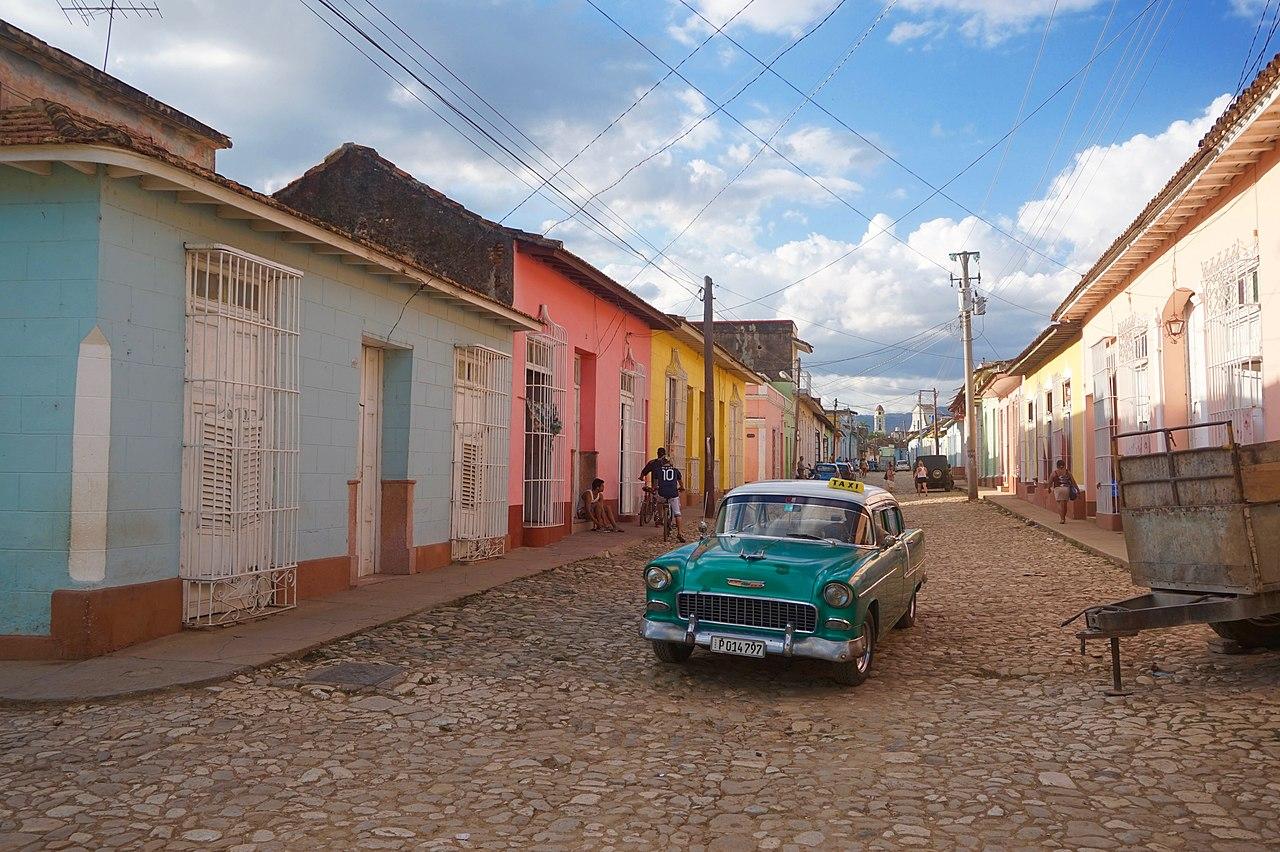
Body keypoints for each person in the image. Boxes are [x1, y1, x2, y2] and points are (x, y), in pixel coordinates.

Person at [656, 457, 686, 542]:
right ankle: (679, 533)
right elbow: (681, 483)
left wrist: (654, 488)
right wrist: (682, 488)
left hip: (662, 493)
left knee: (659, 502)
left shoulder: (658, 470)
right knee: (677, 513)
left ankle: (661, 517)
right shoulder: (676, 471)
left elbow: (655, 484)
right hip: (673, 493)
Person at [637, 447, 668, 525]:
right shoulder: (667, 463)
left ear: (657, 453)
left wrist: (641, 477)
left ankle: (656, 514)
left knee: (655, 496)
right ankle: (659, 517)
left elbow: (644, 471)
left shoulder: (652, 462)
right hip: (665, 483)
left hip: (655, 482)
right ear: (665, 454)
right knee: (661, 500)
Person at [1049, 459, 1078, 524]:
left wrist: (1049, 488)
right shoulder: (1068, 472)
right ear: (1064, 465)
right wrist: (1077, 489)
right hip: (1066, 489)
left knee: (1059, 504)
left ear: (1057, 466)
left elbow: (1050, 481)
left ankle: (1062, 519)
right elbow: (1073, 481)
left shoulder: (1054, 472)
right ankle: (1063, 517)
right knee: (1064, 504)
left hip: (1058, 489)